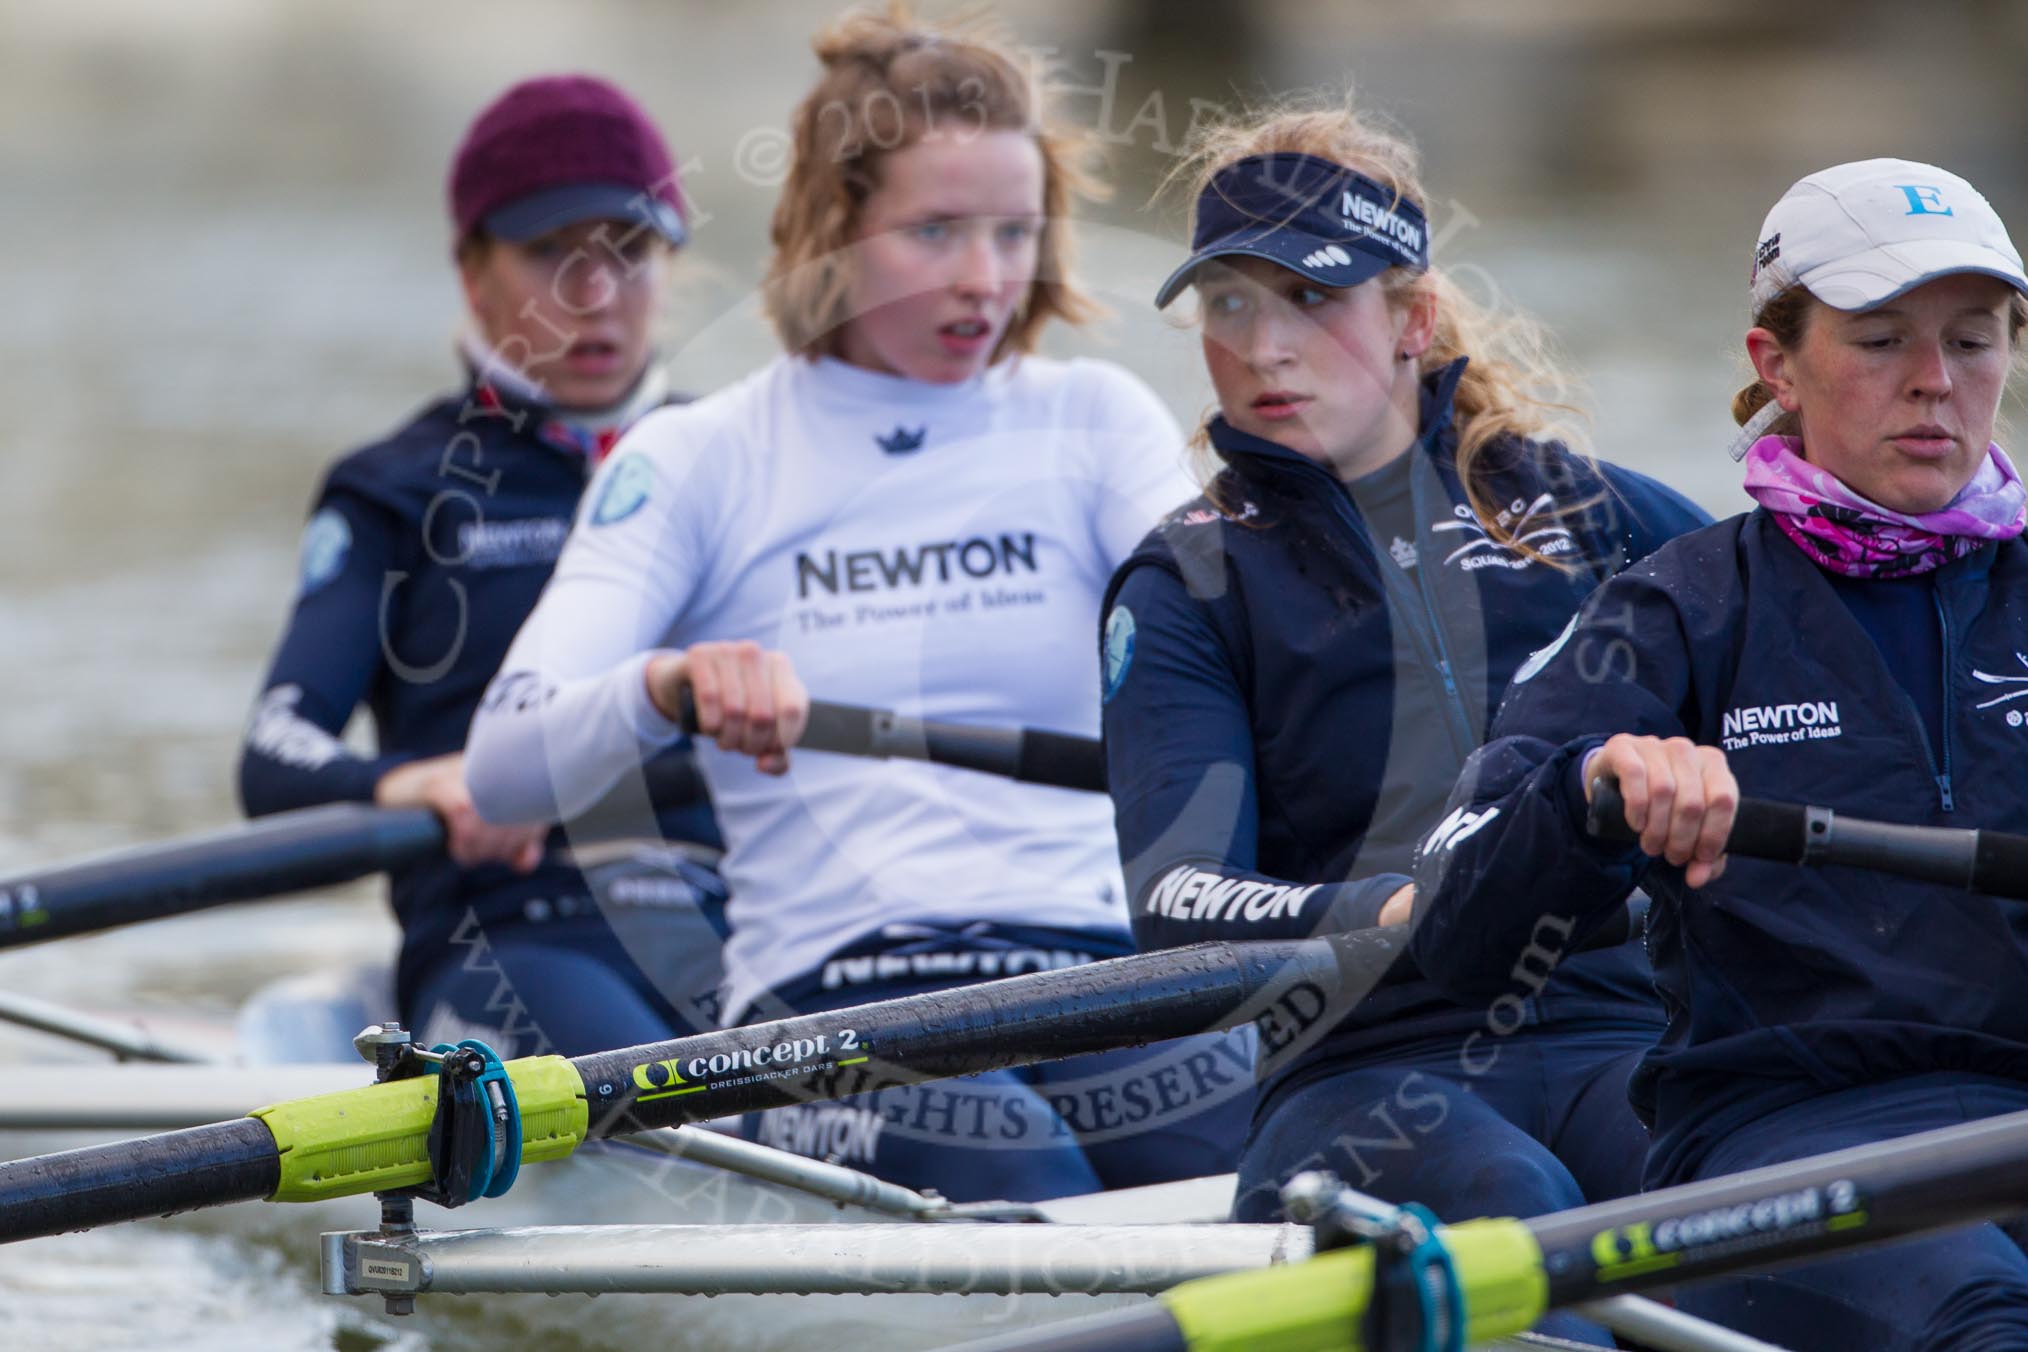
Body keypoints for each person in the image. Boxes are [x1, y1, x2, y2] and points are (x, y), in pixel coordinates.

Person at [464, 8, 1251, 1202]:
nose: (987, 279)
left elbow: (1255, 659)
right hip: (830, 1004)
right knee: (1017, 1165)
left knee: (1255, 1155)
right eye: (935, 231)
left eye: (1014, 231)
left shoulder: (1096, 422)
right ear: (833, 231)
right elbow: (503, 767)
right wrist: (668, 688)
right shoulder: (699, 456)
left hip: (1108, 967)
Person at [1100, 102, 1709, 1341]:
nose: (1264, 346)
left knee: (1714, 1207)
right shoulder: (1190, 581)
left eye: (1310, 299)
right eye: (1227, 304)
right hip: (1363, 1072)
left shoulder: (1608, 523)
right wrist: (1387, 910)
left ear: (1413, 319)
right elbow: (1177, 902)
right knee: (1518, 1220)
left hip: (1628, 1034)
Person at [1412, 158, 2028, 1349]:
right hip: (1789, 1144)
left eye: (1974, 338)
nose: (1937, 383)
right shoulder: (1677, 609)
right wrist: (1592, 792)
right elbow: (1455, 919)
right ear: (1776, 365)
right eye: (1882, 339)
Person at [238, 75, 725, 1061]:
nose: (595, 295)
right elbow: (274, 750)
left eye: (629, 252)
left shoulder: (744, 457)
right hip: (514, 939)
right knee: (678, 1095)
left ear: (671, 266)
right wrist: (416, 782)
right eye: (551, 252)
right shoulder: (396, 490)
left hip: (742, 928)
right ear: (473, 271)